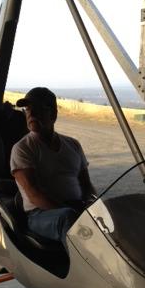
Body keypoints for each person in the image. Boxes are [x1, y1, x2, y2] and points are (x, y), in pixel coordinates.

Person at [10, 87, 96, 245]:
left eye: (38, 109)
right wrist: (77, 214)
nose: (31, 114)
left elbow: (86, 185)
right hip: (40, 215)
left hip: (74, 208)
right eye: (28, 109)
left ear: (53, 114)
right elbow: (34, 195)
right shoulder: (22, 148)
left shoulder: (73, 145)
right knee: (68, 219)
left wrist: (94, 206)